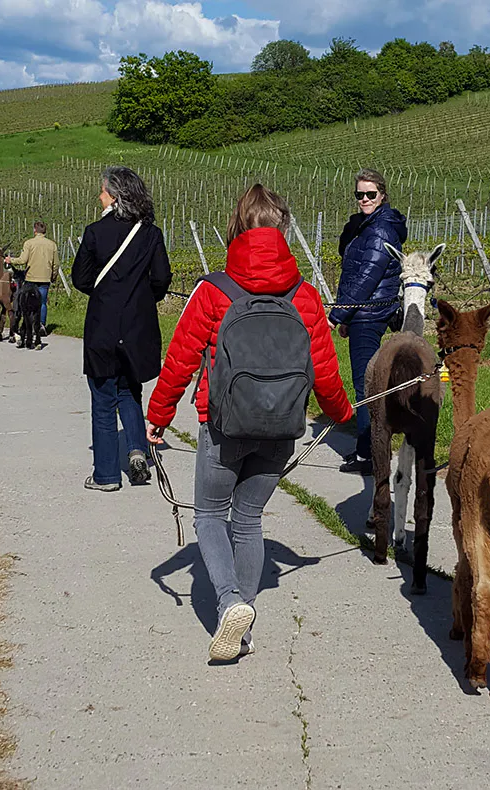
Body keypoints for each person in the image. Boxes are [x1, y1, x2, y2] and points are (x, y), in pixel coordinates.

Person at [146, 185, 352, 663]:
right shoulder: (304, 295)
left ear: (236, 228)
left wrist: (157, 418)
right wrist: (343, 416)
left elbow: (179, 360)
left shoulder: (214, 290)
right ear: (283, 230)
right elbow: (324, 370)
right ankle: (246, 617)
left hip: (222, 425)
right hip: (281, 427)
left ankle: (229, 603)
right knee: (251, 518)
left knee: (211, 515)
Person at [71, 166, 172, 491]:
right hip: (137, 327)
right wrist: (141, 299)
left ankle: (106, 476)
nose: (99, 195)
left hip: (102, 324)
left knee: (102, 400)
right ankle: (137, 450)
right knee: (129, 391)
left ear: (114, 196)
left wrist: (107, 295)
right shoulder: (151, 234)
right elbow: (161, 279)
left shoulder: (94, 232)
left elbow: (81, 279)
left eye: (102, 190)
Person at [329, 168, 407, 475]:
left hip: (369, 312)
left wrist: (337, 316)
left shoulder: (380, 231)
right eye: (359, 194)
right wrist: (347, 313)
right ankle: (368, 448)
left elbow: (364, 279)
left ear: (383, 195)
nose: (364, 199)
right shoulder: (365, 226)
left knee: (366, 386)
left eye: (370, 194)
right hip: (363, 312)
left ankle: (369, 455)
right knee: (368, 383)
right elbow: (351, 275)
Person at [6, 221, 58, 335]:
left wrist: (11, 260)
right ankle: (41, 325)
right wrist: (53, 277)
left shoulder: (29, 243)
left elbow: (23, 260)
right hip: (45, 278)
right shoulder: (52, 245)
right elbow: (56, 264)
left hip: (30, 278)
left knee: (28, 302)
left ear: (35, 230)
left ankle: (29, 324)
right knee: (42, 302)